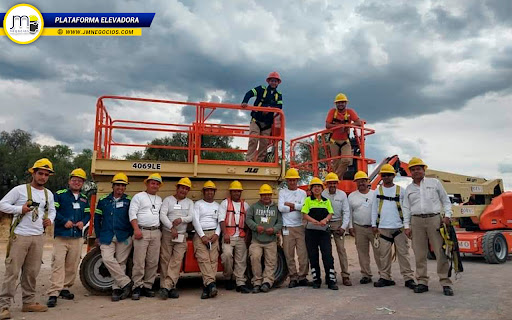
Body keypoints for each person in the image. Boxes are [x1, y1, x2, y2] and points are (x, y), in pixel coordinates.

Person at [0, 158, 56, 318]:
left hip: (38, 237)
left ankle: (28, 302)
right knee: (12, 272)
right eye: (40, 173)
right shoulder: (19, 190)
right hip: (20, 236)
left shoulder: (48, 194)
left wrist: (50, 219)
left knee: (31, 272)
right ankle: (4, 306)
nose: (43, 177)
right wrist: (20, 209)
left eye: (46, 174)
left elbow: (52, 210)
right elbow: (2, 204)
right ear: (33, 173)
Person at [403, 157, 454, 296]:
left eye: (418, 169)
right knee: (419, 253)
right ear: (410, 172)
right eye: (413, 170)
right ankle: (422, 282)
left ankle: (445, 282)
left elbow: (446, 200)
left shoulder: (435, 183)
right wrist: (406, 226)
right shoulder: (408, 189)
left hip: (434, 220)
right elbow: (406, 208)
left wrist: (447, 215)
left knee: (440, 252)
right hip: (416, 221)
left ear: (424, 169)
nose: (415, 171)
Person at [47, 168, 90, 308]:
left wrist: (83, 222)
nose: (76, 182)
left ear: (83, 183)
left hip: (77, 237)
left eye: (80, 181)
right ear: (69, 181)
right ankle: (54, 293)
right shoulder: (59, 195)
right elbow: (54, 211)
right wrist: (63, 221)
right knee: (58, 264)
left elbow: (88, 214)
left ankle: (64, 288)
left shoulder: (84, 198)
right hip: (62, 235)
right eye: (74, 180)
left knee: (72, 265)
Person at [371, 164, 416, 289]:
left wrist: (407, 225)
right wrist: (374, 224)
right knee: (384, 255)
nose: (386, 177)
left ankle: (408, 278)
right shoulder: (377, 192)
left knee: (403, 254)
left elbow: (407, 208)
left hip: (399, 227)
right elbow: (374, 209)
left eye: (389, 175)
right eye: (384, 175)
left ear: (393, 176)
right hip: (383, 227)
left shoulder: (401, 190)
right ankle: (385, 277)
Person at [95, 173, 134, 302]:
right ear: (112, 186)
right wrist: (98, 235)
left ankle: (117, 289)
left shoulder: (129, 201)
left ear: (125, 187)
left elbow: (133, 218)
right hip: (107, 236)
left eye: (123, 185)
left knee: (121, 262)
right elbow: (97, 219)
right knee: (107, 259)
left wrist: (130, 233)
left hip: (124, 236)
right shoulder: (103, 201)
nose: (120, 188)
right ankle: (126, 282)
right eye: (118, 185)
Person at [158, 177, 194, 300]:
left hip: (181, 235)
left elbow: (191, 217)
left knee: (176, 261)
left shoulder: (189, 202)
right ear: (177, 188)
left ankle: (166, 287)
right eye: (182, 187)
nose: (183, 190)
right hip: (168, 233)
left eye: (186, 189)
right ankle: (169, 287)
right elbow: (162, 215)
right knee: (165, 260)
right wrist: (171, 227)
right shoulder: (168, 200)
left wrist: (182, 219)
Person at [129, 173, 163, 300]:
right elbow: (132, 213)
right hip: (141, 232)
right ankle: (137, 286)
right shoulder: (139, 197)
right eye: (152, 183)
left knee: (153, 261)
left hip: (155, 232)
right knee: (139, 261)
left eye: (157, 184)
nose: (154, 185)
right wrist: (136, 229)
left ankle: (148, 286)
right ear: (147, 184)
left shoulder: (159, 200)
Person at [302, 177, 338, 290]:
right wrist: (313, 221)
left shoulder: (326, 201)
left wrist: (325, 220)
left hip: (324, 232)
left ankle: (331, 279)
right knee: (313, 256)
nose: (317, 188)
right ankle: (316, 279)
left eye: (319, 186)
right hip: (311, 232)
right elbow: (304, 214)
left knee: (327, 255)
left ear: (322, 189)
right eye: (314, 187)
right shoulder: (308, 200)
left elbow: (330, 213)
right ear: (311, 189)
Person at [246, 184, 283, 293]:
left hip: (271, 240)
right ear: (260, 195)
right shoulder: (253, 207)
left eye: (268, 194)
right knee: (255, 258)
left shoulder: (275, 208)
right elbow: (248, 219)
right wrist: (256, 227)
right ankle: (257, 282)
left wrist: (274, 229)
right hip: (256, 240)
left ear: (271, 195)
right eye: (264, 194)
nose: (266, 196)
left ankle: (267, 282)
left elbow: (280, 222)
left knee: (270, 261)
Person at [347, 171, 381, 284]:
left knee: (379, 252)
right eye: (359, 181)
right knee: (362, 252)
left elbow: (379, 211)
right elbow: (349, 213)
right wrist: (351, 227)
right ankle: (366, 274)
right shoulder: (352, 196)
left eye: (363, 180)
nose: (361, 183)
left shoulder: (375, 194)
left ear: (368, 181)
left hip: (374, 228)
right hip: (359, 227)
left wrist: (377, 225)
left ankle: (384, 274)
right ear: (356, 182)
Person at [241, 71, 283, 162]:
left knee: (264, 143)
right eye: (272, 80)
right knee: (253, 139)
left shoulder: (278, 95)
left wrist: (269, 108)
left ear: (278, 83)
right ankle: (249, 160)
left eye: (275, 81)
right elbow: (250, 93)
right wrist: (245, 102)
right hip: (256, 120)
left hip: (267, 123)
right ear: (268, 81)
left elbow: (280, 107)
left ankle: (260, 161)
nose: (273, 82)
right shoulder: (261, 89)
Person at [278, 168, 309, 288]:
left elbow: (304, 207)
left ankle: (303, 276)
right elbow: (281, 208)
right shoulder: (282, 192)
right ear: (287, 181)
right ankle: (293, 277)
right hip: (287, 227)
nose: (292, 182)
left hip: (300, 226)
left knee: (303, 253)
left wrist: (290, 205)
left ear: (297, 180)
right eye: (290, 180)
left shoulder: (302, 193)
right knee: (288, 254)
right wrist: (296, 206)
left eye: (294, 180)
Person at [219, 180, 251, 293]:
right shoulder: (225, 203)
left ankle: (240, 283)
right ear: (230, 192)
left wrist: (247, 236)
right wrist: (225, 233)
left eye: (239, 191)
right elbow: (221, 220)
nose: (237, 193)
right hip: (229, 235)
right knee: (226, 255)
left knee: (241, 260)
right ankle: (228, 277)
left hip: (241, 236)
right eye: (234, 191)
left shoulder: (245, 205)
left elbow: (248, 222)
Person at [321, 172, 352, 286]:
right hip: (326, 223)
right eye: (330, 183)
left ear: (337, 184)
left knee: (341, 250)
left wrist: (344, 227)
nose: (332, 185)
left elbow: (346, 211)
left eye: (334, 183)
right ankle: (330, 274)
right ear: (326, 184)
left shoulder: (342, 195)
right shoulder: (323, 194)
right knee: (327, 251)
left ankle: (345, 275)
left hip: (338, 222)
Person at [193, 181, 221, 299]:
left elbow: (220, 221)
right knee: (203, 259)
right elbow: (195, 220)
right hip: (201, 234)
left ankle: (207, 287)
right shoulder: (198, 204)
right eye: (207, 190)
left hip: (213, 233)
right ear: (203, 192)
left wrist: (217, 234)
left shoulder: (218, 206)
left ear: (214, 192)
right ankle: (211, 284)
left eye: (211, 190)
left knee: (213, 260)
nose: (209, 192)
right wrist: (202, 235)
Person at [325, 93, 362, 179]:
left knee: (346, 160)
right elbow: (327, 125)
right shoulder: (332, 112)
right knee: (336, 163)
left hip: (345, 141)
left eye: (342, 102)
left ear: (346, 103)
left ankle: (334, 178)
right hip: (334, 141)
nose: (340, 104)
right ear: (336, 104)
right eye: (339, 102)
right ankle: (338, 180)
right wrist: (338, 127)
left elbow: (359, 123)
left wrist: (346, 126)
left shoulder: (350, 112)